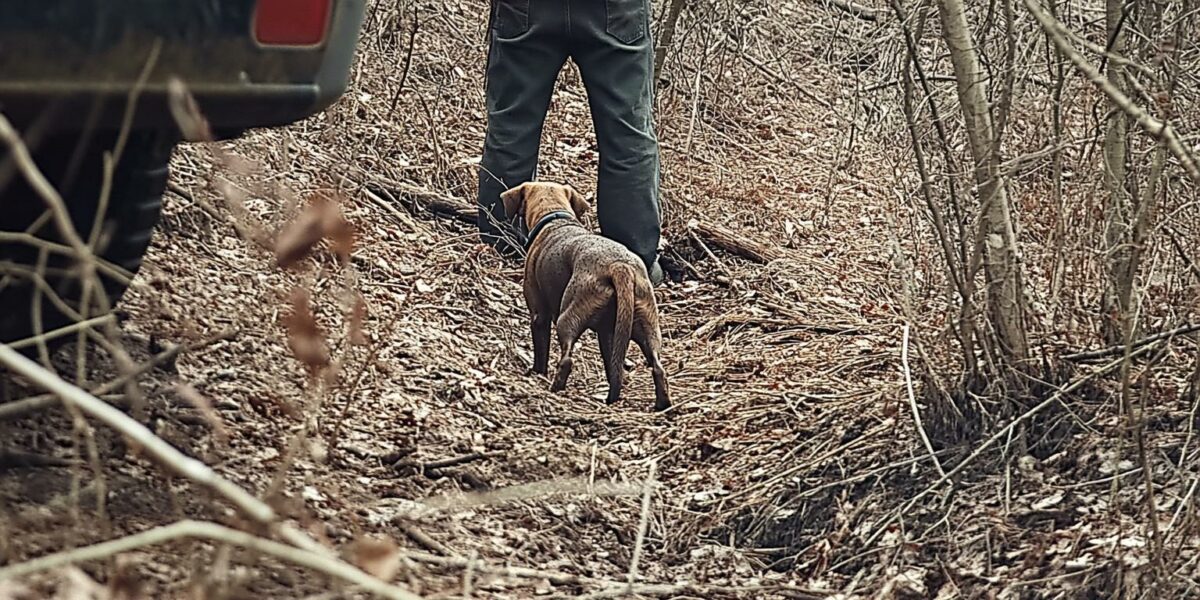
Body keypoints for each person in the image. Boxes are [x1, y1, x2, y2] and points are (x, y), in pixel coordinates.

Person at [477, 0, 665, 285]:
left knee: (511, 128)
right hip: (614, 10)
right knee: (627, 138)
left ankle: (498, 257)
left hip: (525, 9)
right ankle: (632, 264)